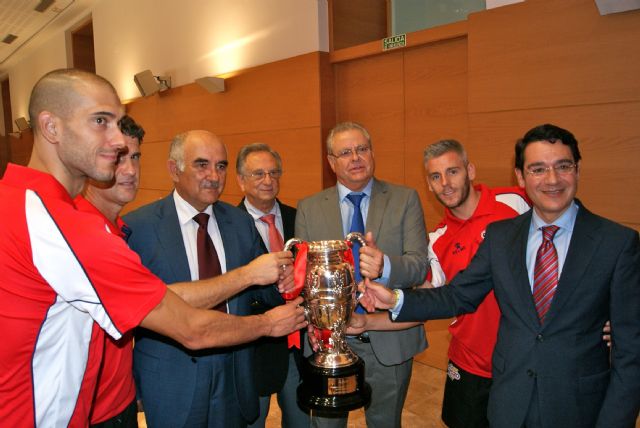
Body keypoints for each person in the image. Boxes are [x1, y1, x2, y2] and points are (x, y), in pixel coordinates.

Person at [0, 69, 306, 427]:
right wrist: (268, 324)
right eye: (101, 121)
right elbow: (191, 326)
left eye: (118, 124)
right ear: (50, 127)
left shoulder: (18, 201)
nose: (117, 142)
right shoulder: (64, 226)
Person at [360, 124, 640, 427]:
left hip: (576, 406)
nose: (552, 179)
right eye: (537, 169)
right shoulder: (499, 237)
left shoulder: (616, 243)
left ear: (577, 169)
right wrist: (396, 298)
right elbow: (456, 295)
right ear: (520, 176)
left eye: (563, 166)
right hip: (506, 399)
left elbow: (631, 354)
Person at [123, 130, 290, 427]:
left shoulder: (240, 222)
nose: (214, 175)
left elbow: (262, 293)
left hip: (235, 375)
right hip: (173, 381)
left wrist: (283, 284)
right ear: (174, 169)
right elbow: (133, 313)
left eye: (221, 166)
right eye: (202, 165)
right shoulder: (139, 227)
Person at [295, 121, 429, 427]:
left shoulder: (404, 199)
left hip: (388, 339)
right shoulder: (309, 208)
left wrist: (385, 266)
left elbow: (419, 265)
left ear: (372, 153)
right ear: (332, 162)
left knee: (385, 422)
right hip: (329, 342)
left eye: (362, 149)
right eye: (345, 152)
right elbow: (305, 279)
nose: (355, 157)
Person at [422, 139, 529, 428]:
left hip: (522, 360)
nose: (445, 183)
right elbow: (432, 295)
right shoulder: (436, 239)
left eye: (453, 171)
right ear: (429, 185)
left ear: (470, 170)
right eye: (435, 176)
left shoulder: (516, 202)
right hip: (468, 363)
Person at [236, 142, 310, 428]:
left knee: (301, 421)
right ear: (241, 180)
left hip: (301, 346)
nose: (268, 180)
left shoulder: (300, 218)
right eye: (258, 174)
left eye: (273, 172)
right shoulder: (227, 224)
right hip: (255, 350)